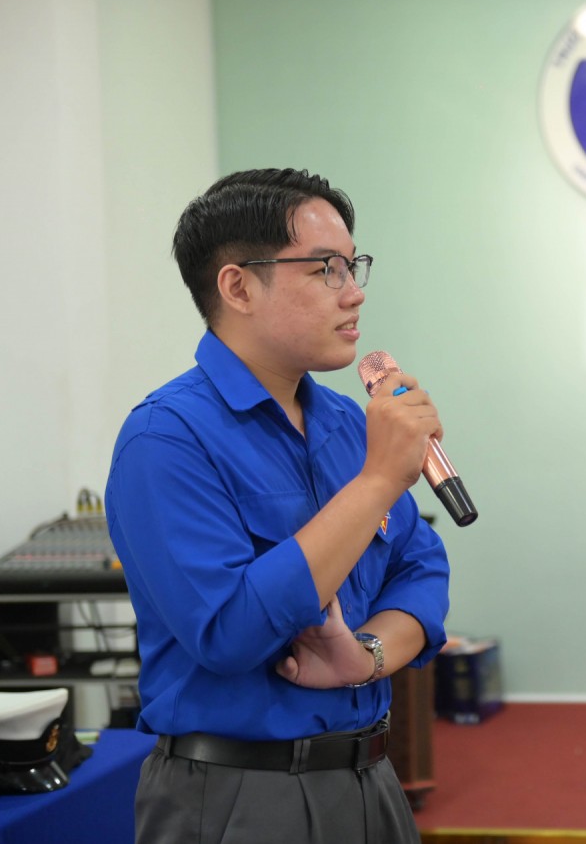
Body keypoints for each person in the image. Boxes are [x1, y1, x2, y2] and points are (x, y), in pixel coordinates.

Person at [105, 168, 450, 843]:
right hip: (238, 796)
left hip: (371, 781)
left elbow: (422, 571)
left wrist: (368, 655)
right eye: (325, 269)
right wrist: (377, 482)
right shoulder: (166, 437)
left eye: (354, 267)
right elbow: (230, 629)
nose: (353, 294)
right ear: (238, 285)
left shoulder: (351, 423)